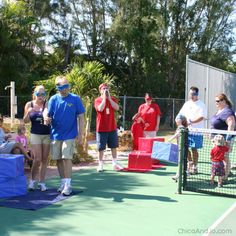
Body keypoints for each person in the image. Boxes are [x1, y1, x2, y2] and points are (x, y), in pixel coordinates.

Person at [44, 76, 85, 196]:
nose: (67, 88)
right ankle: (62, 182)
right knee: (59, 159)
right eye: (64, 86)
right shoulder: (53, 99)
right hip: (56, 134)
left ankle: (68, 184)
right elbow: (48, 113)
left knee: (66, 157)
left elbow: (81, 117)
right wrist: (46, 117)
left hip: (70, 135)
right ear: (58, 87)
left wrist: (80, 135)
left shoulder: (75, 99)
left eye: (68, 85)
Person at [23, 85, 51, 191]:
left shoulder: (47, 104)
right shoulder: (29, 104)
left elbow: (48, 116)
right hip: (35, 134)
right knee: (37, 158)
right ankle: (32, 181)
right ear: (34, 94)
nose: (40, 96)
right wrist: (28, 112)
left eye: (42, 94)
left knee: (44, 159)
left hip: (46, 134)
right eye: (38, 94)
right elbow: (25, 121)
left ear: (45, 95)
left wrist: (47, 117)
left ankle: (42, 182)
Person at [176, 86, 207, 174]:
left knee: (194, 149)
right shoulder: (186, 104)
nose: (191, 96)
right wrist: (179, 121)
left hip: (196, 132)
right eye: (190, 94)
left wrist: (191, 121)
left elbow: (202, 117)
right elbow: (180, 115)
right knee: (185, 148)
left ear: (197, 94)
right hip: (186, 131)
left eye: (193, 94)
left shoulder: (201, 104)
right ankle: (190, 163)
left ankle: (195, 167)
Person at [94, 83, 123, 172]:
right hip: (102, 128)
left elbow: (117, 108)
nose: (106, 90)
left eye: (107, 89)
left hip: (112, 128)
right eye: (103, 89)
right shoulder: (97, 100)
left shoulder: (112, 99)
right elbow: (100, 109)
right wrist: (104, 99)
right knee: (101, 148)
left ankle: (114, 163)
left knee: (113, 146)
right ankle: (100, 164)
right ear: (100, 90)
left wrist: (109, 99)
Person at [210, 93, 236, 181]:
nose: (216, 103)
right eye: (215, 101)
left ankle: (225, 177)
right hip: (217, 140)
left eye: (218, 101)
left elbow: (231, 125)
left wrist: (227, 140)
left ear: (224, 101)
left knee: (225, 157)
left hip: (223, 141)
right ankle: (224, 172)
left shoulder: (227, 111)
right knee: (220, 157)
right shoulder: (220, 110)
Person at [167, 114, 188, 181]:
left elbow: (177, 135)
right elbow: (179, 138)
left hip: (182, 147)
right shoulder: (180, 127)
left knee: (180, 161)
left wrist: (170, 139)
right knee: (181, 161)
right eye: (176, 119)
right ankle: (185, 173)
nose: (176, 120)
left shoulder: (181, 127)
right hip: (180, 147)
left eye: (178, 119)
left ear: (181, 120)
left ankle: (178, 175)